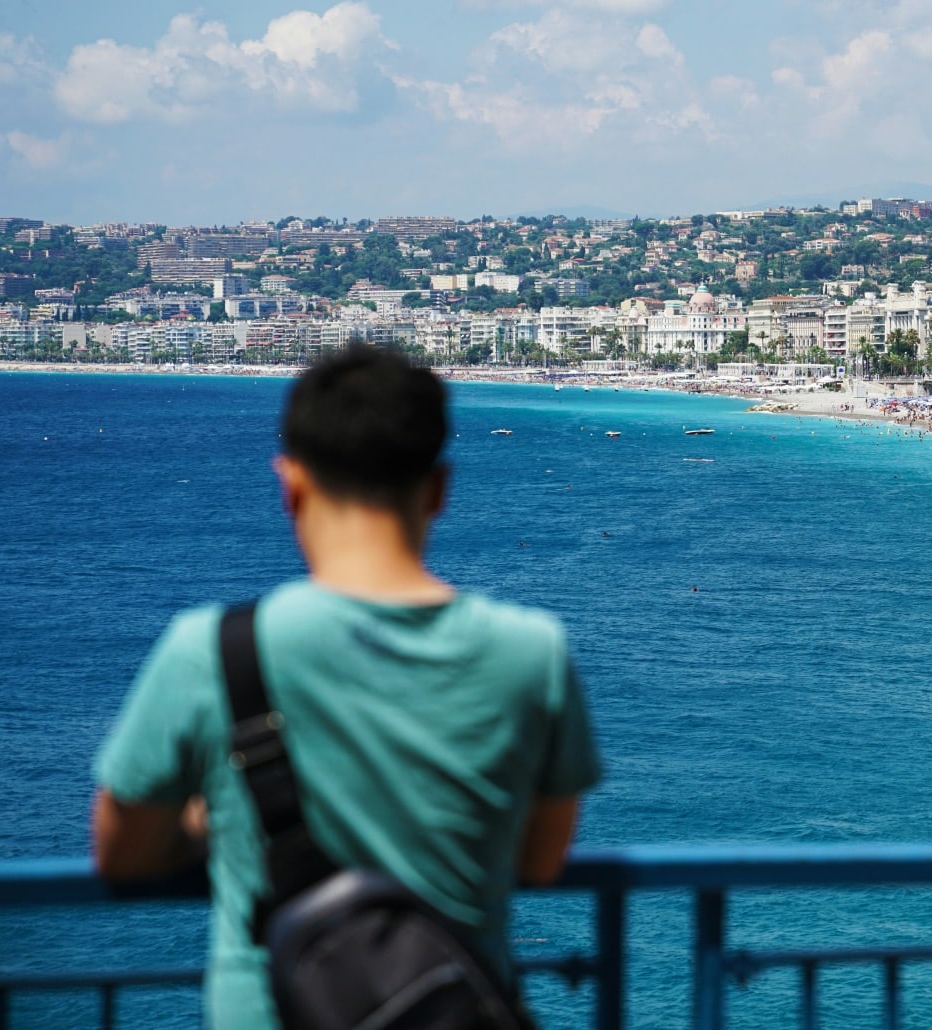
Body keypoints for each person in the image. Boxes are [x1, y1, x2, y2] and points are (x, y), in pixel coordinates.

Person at [90, 343, 602, 1029]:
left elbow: (121, 852)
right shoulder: (532, 651)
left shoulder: (211, 650)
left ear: (290, 485)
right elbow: (540, 860)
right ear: (440, 489)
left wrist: (207, 818)